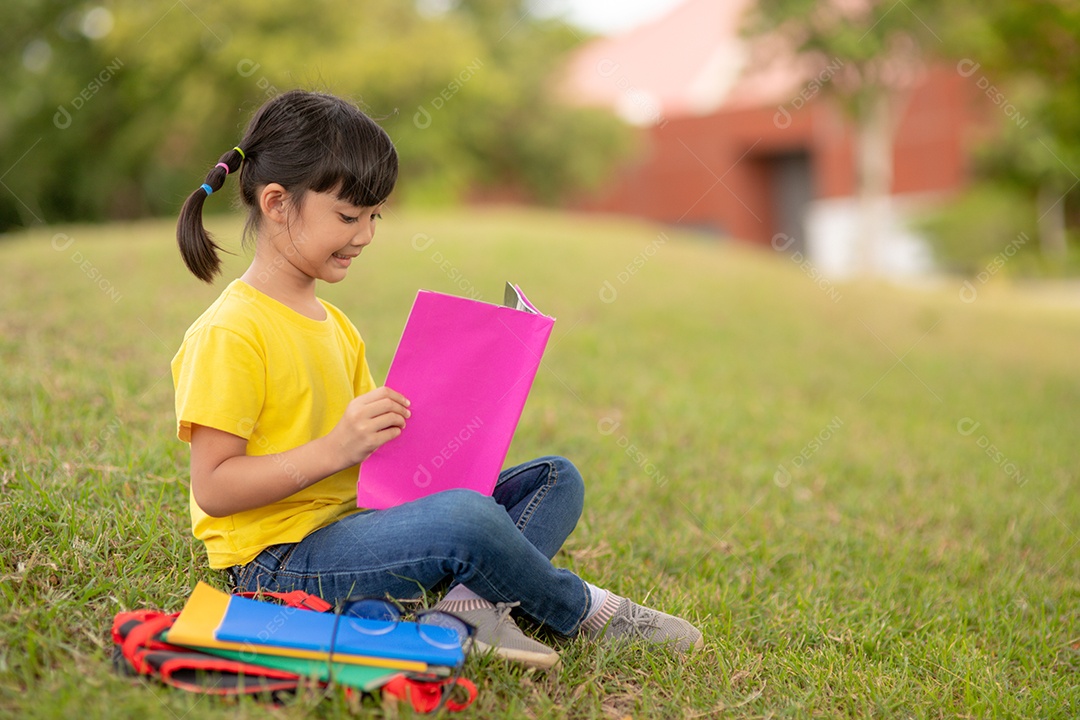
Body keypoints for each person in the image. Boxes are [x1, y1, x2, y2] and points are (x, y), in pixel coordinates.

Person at [171, 89, 702, 670]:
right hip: (279, 560)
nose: (366, 234)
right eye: (349, 216)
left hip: (358, 524)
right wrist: (334, 448)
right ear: (277, 203)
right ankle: (586, 611)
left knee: (556, 480)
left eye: (374, 216)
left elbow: (371, 458)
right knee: (468, 520)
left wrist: (455, 408)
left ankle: (461, 617)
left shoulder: (336, 326)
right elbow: (215, 488)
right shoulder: (231, 331)